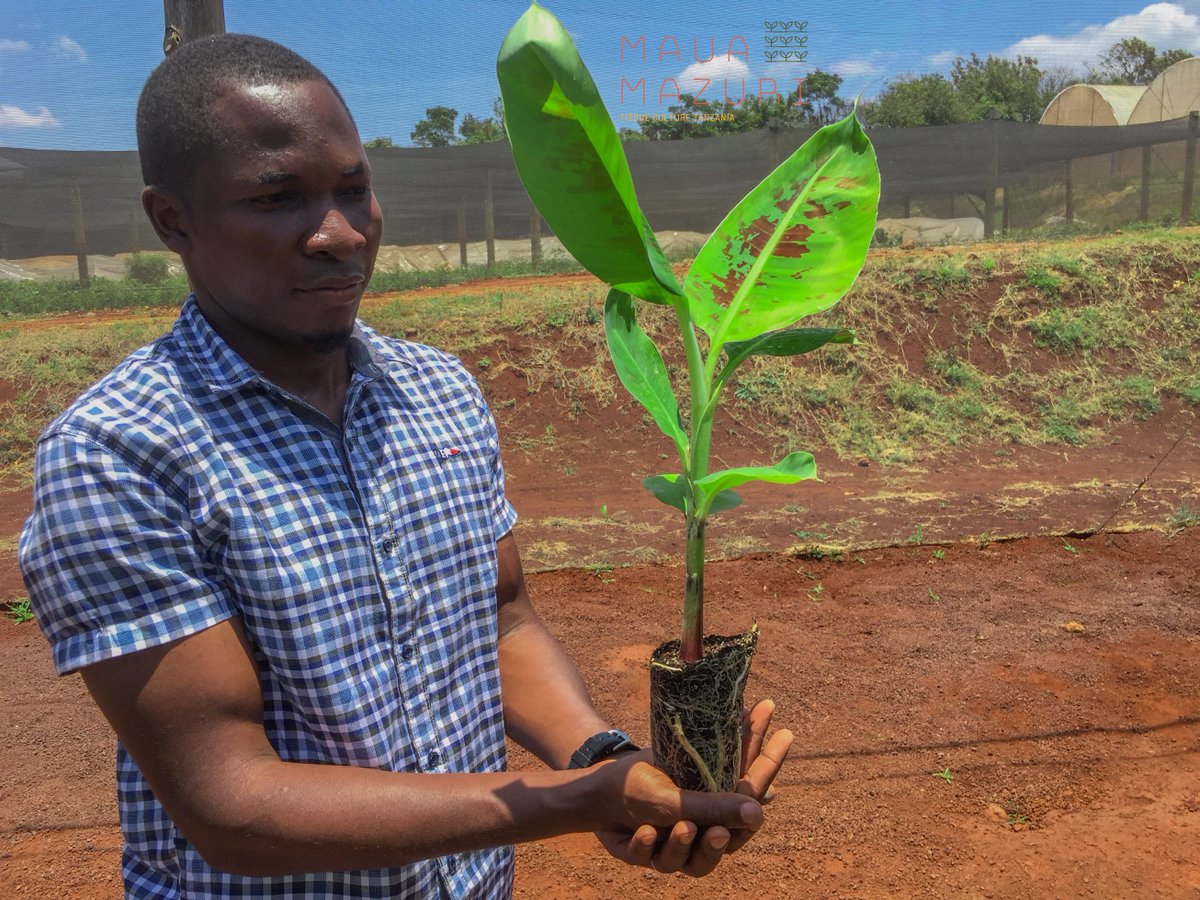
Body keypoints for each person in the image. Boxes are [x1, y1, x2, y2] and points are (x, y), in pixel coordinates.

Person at [18, 33, 792, 898]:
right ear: (173, 220)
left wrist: (605, 758)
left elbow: (500, 621)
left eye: (355, 189)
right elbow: (231, 804)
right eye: (278, 198)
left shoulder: (438, 392)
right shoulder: (118, 455)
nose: (340, 234)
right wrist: (577, 801)